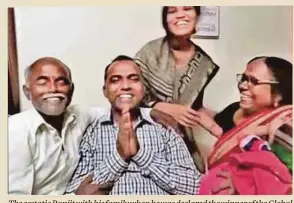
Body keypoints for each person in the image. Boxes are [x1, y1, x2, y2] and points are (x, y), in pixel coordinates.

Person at [65, 55, 201, 195]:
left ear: (143, 89)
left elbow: (195, 188)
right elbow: (78, 192)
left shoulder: (164, 128)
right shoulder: (92, 133)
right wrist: (119, 157)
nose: (125, 86)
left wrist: (141, 154)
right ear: (105, 91)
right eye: (115, 80)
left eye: (134, 79)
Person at [8, 57, 113, 195]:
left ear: (71, 89)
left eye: (61, 82)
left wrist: (150, 112)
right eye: (42, 83)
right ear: (27, 92)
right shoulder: (15, 130)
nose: (53, 89)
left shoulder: (79, 115)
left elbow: (117, 112)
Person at [134, 6, 220, 172]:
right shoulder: (149, 52)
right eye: (172, 11)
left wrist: (220, 131)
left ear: (197, 15)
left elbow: (193, 108)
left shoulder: (204, 64)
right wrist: (160, 106)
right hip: (145, 136)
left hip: (182, 140)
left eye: (187, 9)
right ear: (165, 20)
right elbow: (129, 96)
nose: (180, 15)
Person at [192, 56, 292, 195]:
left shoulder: (284, 124)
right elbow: (225, 132)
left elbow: (279, 176)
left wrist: (241, 182)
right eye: (243, 78)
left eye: (253, 81)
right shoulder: (235, 109)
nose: (243, 85)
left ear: (278, 94)